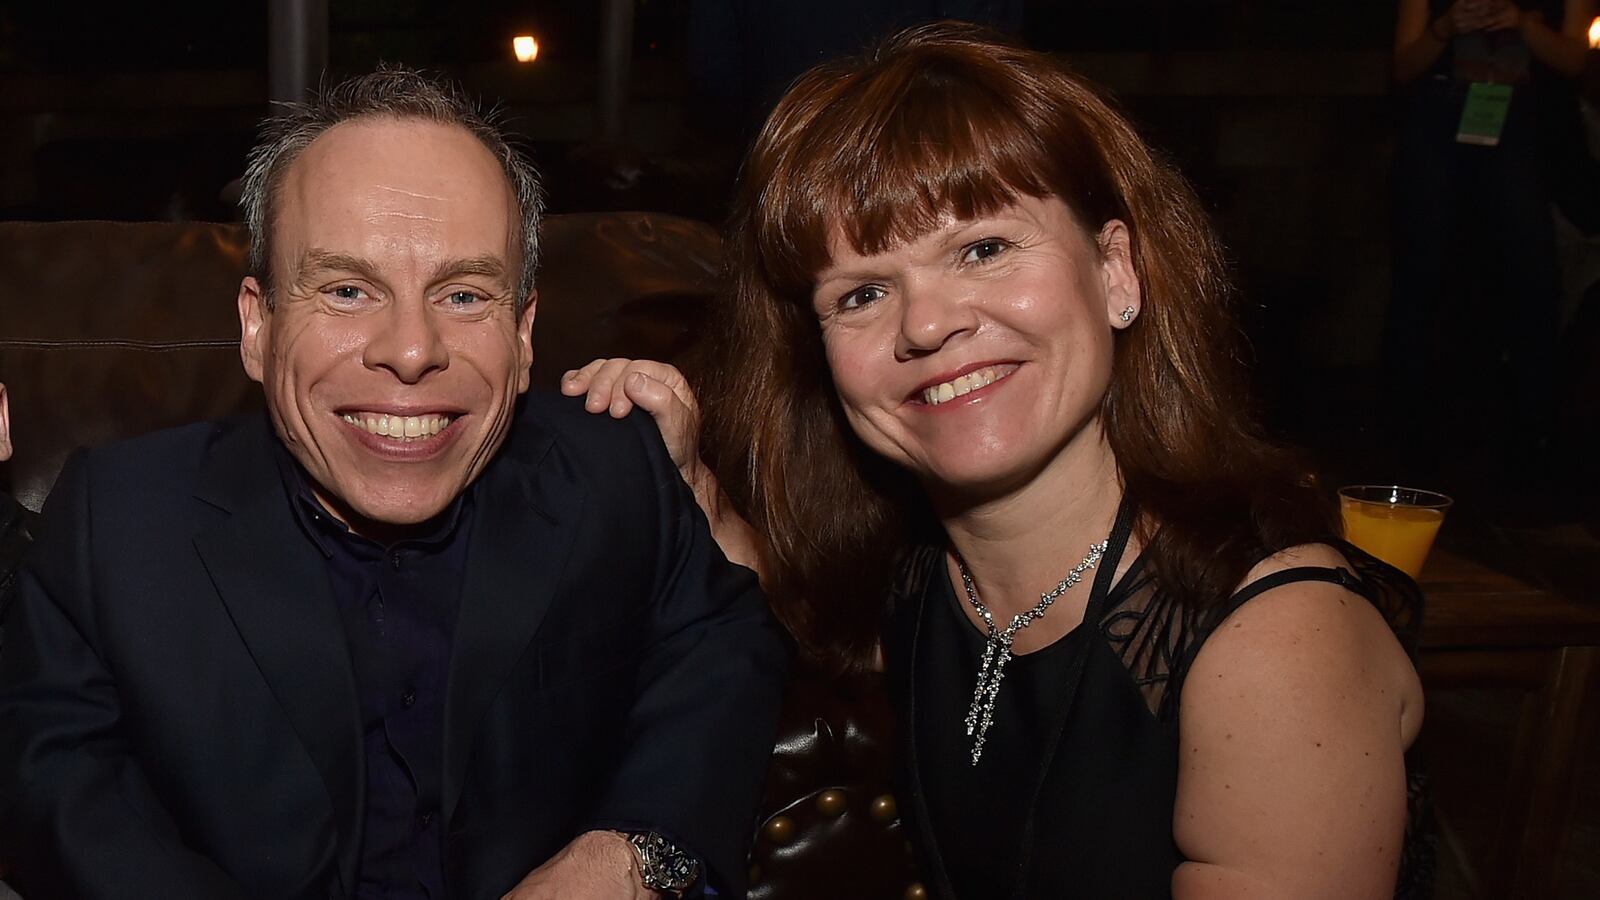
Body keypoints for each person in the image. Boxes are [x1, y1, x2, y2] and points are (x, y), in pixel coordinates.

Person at [568, 22, 1425, 898]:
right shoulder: (932, 585)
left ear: (1117, 271)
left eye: (983, 248)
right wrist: (683, 476)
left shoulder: (1275, 644)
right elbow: (781, 612)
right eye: (862, 293)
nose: (928, 325)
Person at [0, 68, 788, 900]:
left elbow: (726, 646)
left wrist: (628, 857)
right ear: (257, 326)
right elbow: (51, 777)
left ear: (523, 335)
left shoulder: (612, 468)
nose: (412, 350)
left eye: (463, 293)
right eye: (347, 290)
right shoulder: (118, 518)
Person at [1387, 0, 1594, 485]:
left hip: (1520, 129)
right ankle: (1410, 430)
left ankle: (1530, 433)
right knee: (1424, 276)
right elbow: (1402, 67)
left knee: (1531, 278)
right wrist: (1445, 27)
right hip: (1439, 129)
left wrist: (1521, 22)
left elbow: (1574, 59)